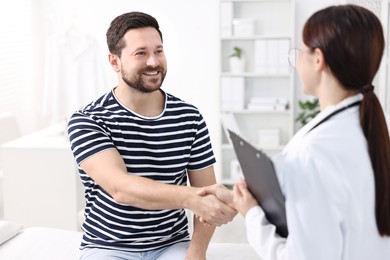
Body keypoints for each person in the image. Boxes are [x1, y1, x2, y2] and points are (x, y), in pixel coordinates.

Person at [200, 4, 390, 260]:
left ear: (318, 59)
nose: (296, 60)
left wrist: (253, 215)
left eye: (300, 51)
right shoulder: (366, 127)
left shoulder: (313, 151)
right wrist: (239, 198)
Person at [67, 11, 236, 260]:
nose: (153, 62)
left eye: (158, 51)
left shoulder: (189, 117)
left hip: (171, 244)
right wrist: (192, 199)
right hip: (107, 246)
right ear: (115, 62)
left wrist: (196, 252)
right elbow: (121, 188)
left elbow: (206, 192)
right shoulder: (88, 120)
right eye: (141, 53)